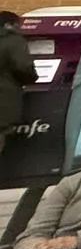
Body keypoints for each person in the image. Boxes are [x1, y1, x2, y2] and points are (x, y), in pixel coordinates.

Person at [0, 12, 34, 156]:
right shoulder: (13, 40)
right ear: (8, 25)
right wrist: (32, 78)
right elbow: (23, 67)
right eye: (17, 25)